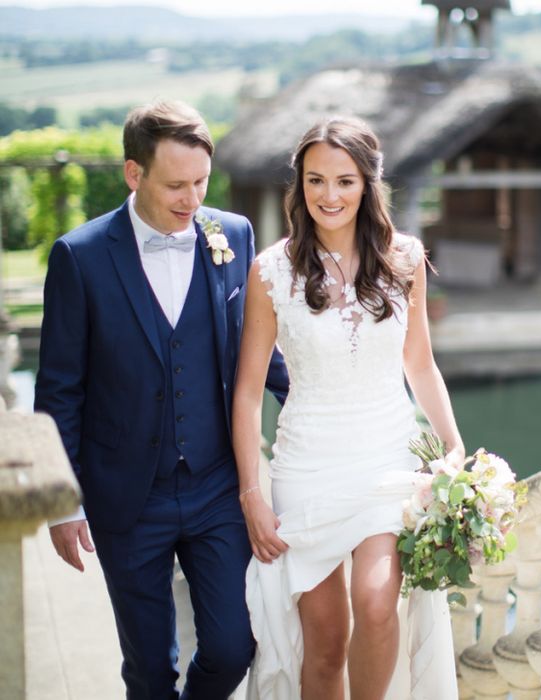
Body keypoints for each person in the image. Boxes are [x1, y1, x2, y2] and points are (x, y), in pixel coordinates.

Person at [35, 100, 290, 699]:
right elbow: (59, 392)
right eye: (176, 185)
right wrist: (62, 503)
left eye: (201, 182)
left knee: (234, 648)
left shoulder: (233, 235)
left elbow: (259, 352)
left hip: (217, 487)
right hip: (127, 497)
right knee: (150, 669)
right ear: (134, 174)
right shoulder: (80, 257)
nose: (192, 199)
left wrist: (322, 402)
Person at [232, 116, 463, 700]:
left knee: (379, 602)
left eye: (344, 181)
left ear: (368, 185)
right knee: (326, 640)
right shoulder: (271, 271)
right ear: (299, 186)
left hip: (387, 455)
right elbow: (247, 391)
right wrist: (251, 494)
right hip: (306, 465)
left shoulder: (404, 259)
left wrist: (454, 447)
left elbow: (420, 364)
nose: (328, 196)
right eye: (315, 181)